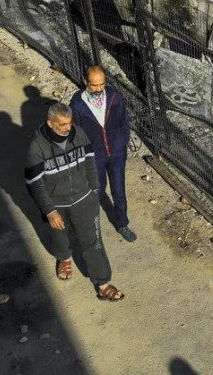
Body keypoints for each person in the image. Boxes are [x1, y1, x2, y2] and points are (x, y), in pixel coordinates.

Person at [24, 102, 125, 302]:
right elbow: (34, 183)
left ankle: (102, 283)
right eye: (61, 124)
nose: (66, 128)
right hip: (56, 205)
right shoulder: (37, 147)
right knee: (60, 235)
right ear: (50, 123)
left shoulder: (79, 134)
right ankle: (64, 258)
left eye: (68, 123)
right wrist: (49, 211)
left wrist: (94, 189)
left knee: (93, 241)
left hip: (84, 199)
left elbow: (90, 161)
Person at [70, 65, 136, 242]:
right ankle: (92, 226)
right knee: (96, 190)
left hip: (116, 154)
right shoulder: (77, 104)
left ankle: (122, 223)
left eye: (101, 84)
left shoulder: (114, 97)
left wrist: (121, 142)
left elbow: (124, 121)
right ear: (85, 82)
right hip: (94, 156)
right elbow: (75, 132)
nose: (99, 89)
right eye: (94, 85)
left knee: (119, 191)